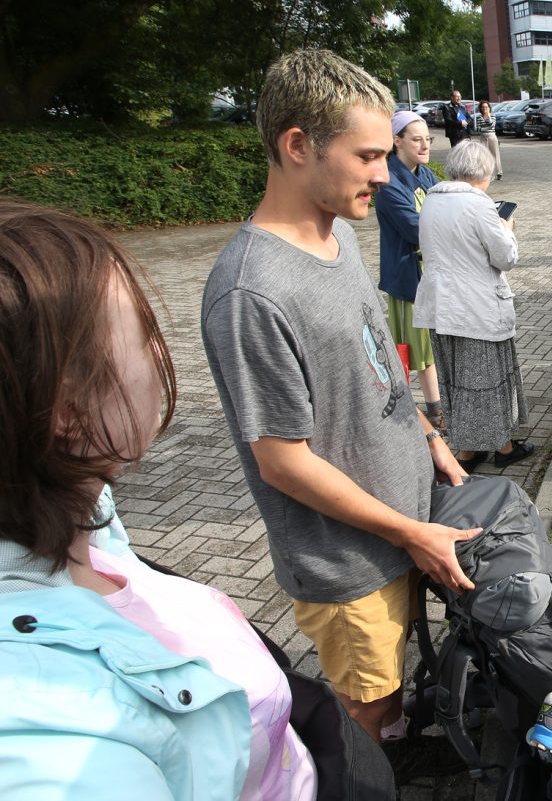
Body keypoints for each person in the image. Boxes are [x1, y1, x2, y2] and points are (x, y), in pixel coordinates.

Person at [202, 49, 477, 753]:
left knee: (392, 690)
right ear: (298, 145)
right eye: (367, 156)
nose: (385, 174)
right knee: (363, 710)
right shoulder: (251, 292)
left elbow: (378, 358)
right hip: (349, 564)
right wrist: (408, 534)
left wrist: (429, 436)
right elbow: (282, 463)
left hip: (400, 530)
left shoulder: (339, 236)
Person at [0, 204, 318, 798]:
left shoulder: (83, 522)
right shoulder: (57, 736)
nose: (161, 347)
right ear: (68, 409)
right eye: (144, 331)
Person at [414, 140, 535, 474]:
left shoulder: (432, 200)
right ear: (484, 173)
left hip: (440, 306)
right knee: (487, 381)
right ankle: (503, 447)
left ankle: (467, 451)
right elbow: (506, 258)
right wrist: (506, 228)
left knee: (456, 379)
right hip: (475, 307)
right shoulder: (479, 205)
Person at [375, 110, 445, 429]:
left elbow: (447, 202)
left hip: (429, 275)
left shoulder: (425, 174)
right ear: (397, 141)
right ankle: (420, 412)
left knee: (427, 346)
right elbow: (415, 228)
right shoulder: (388, 182)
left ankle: (431, 410)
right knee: (410, 349)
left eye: (427, 139)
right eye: (416, 139)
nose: (424, 145)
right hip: (408, 278)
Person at [472, 99, 503, 180]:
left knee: (495, 155)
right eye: (483, 107)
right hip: (483, 137)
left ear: (489, 108)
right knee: (484, 155)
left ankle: (499, 172)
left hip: (492, 137)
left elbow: (492, 125)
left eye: (486, 107)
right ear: (480, 108)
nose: (484, 109)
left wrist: (488, 116)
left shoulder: (493, 116)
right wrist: (486, 128)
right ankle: (487, 173)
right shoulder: (479, 118)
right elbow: (478, 129)